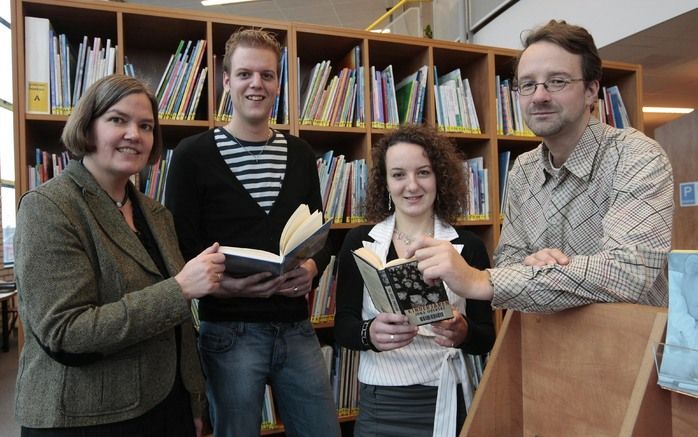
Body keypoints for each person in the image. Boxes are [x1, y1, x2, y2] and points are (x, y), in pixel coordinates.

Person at [409, 19, 674, 312]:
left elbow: (630, 270)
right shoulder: (523, 169)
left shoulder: (637, 156)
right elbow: (509, 258)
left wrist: (479, 280)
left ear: (591, 91)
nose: (539, 96)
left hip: (635, 351)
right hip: (550, 347)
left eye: (557, 81)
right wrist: (530, 264)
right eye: (527, 84)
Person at [14, 75, 226, 436]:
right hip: (85, 417)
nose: (135, 134)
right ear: (88, 126)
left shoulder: (156, 214)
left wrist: (193, 398)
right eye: (118, 120)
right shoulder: (49, 208)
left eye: (145, 126)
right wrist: (179, 289)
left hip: (165, 407)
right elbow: (65, 331)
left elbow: (179, 329)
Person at [164, 29, 340, 437]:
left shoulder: (299, 154)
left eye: (267, 75)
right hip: (229, 331)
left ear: (278, 83)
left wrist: (313, 267)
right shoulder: (193, 155)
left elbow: (320, 236)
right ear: (226, 81)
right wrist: (228, 287)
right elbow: (180, 250)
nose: (256, 84)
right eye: (244, 74)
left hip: (296, 326)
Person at [334, 125, 496, 437]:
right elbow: (344, 326)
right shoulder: (359, 242)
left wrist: (462, 332)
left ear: (439, 178)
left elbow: (485, 337)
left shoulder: (468, 246)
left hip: (445, 394)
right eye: (398, 175)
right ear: (385, 183)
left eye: (423, 172)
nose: (412, 186)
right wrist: (369, 333)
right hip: (382, 400)